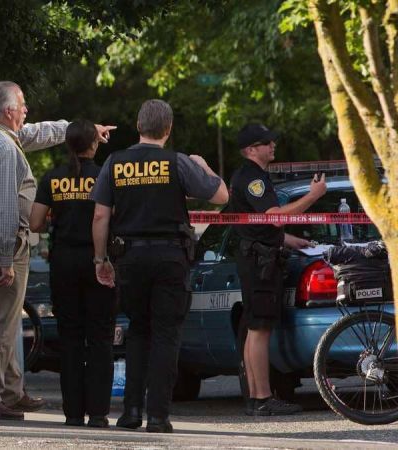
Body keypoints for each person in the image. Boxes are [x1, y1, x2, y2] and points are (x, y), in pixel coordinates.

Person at [0, 80, 115, 420]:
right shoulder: (4, 150)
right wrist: (7, 258)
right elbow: (4, 207)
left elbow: (37, 132)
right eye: (22, 106)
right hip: (3, 243)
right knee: (1, 321)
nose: (27, 111)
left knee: (6, 317)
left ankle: (11, 391)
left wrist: (82, 129)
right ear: (8, 112)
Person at [91, 99, 228, 433]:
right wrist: (204, 166)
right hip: (170, 258)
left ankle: (131, 412)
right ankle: (158, 416)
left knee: (138, 331)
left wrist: (100, 259)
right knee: (166, 334)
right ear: (168, 129)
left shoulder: (114, 162)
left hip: (130, 259)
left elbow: (100, 216)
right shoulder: (177, 162)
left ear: (139, 126)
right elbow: (222, 196)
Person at [231, 123, 326, 416]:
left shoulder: (249, 175)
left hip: (256, 257)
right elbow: (273, 217)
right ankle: (263, 397)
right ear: (251, 150)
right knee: (260, 330)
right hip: (260, 263)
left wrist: (290, 240)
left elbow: (260, 225)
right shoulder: (253, 178)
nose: (273, 145)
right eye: (266, 142)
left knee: (254, 329)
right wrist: (313, 196)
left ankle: (255, 398)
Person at [29, 119, 116, 428]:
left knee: (70, 338)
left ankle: (73, 413)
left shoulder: (53, 178)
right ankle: (99, 413)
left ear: (67, 144)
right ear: (94, 144)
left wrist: (57, 217)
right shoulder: (105, 176)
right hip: (97, 260)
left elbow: (35, 223)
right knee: (100, 337)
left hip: (63, 262)